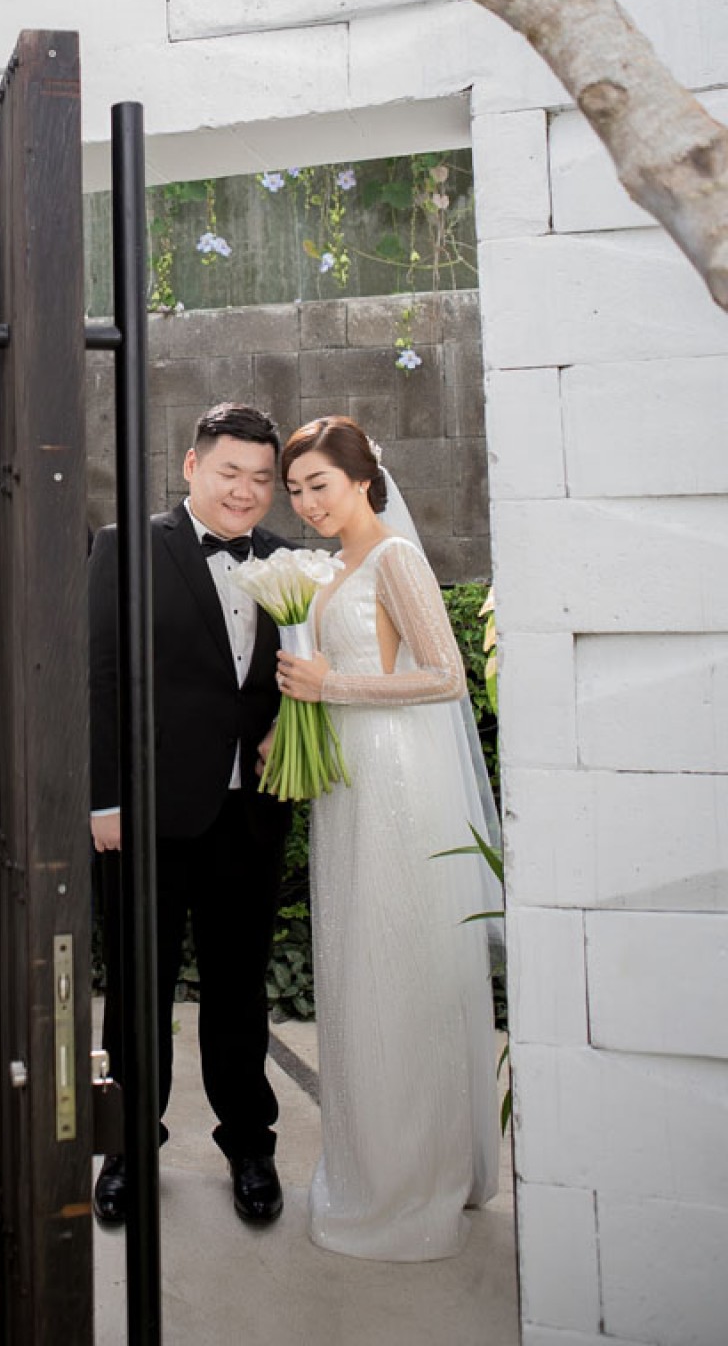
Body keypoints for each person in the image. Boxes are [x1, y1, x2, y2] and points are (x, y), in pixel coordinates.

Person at [271, 414, 500, 1260]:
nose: (307, 503)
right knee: (359, 969)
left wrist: (330, 687)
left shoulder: (396, 558)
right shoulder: (333, 567)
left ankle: (413, 1181)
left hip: (397, 781)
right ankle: (368, 1165)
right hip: (348, 787)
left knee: (398, 969)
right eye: (295, 491)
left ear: (364, 480)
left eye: (319, 485)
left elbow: (445, 678)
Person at [90, 403, 293, 1227]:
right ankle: (128, 1146)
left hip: (253, 813)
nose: (245, 491)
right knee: (137, 986)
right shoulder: (125, 548)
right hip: (146, 816)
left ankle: (250, 1145)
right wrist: (103, 799)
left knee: (239, 990)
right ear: (191, 466)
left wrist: (291, 726)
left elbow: (298, 677)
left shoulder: (288, 561)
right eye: (229, 472)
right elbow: (100, 677)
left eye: (261, 478)